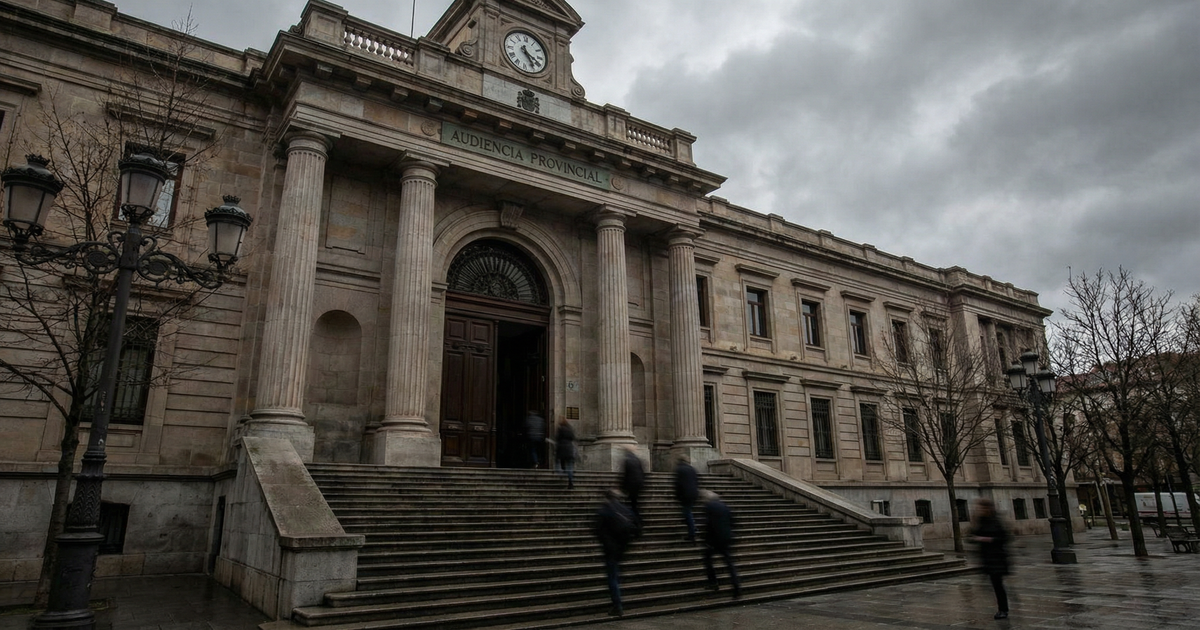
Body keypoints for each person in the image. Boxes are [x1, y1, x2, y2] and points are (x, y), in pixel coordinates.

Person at [593, 488, 637, 616]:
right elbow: (636, 526)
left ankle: (617, 605)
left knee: (612, 576)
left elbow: (596, 529)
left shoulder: (604, 510)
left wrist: (605, 541)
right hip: (622, 547)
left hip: (611, 548)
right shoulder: (624, 509)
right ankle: (617, 593)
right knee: (616, 573)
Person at [969, 498, 1010, 620]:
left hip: (997, 558)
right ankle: (1002, 608)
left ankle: (1003, 609)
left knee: (998, 585)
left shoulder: (995, 521)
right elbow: (972, 536)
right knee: (995, 584)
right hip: (987, 559)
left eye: (982, 508)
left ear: (988, 508)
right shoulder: (981, 521)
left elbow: (1004, 537)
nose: (979, 510)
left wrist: (988, 539)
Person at [701, 490, 741, 598]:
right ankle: (736, 587)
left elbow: (709, 524)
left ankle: (713, 582)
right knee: (729, 564)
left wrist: (706, 540)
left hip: (714, 540)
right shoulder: (724, 506)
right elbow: (733, 521)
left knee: (708, 560)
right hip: (726, 538)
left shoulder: (709, 507)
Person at [673, 455, 700, 541]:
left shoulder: (679, 469)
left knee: (687, 513)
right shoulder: (692, 469)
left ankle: (692, 532)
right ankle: (693, 527)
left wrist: (677, 495)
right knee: (687, 512)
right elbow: (697, 481)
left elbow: (678, 483)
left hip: (685, 494)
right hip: (693, 494)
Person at [620, 446, 646, 526]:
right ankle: (638, 521)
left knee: (632, 505)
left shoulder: (627, 460)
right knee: (634, 504)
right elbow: (642, 472)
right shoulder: (637, 459)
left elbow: (626, 475)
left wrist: (623, 487)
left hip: (631, 486)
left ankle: (637, 522)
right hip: (638, 485)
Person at [554, 417, 576, 489]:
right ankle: (570, 481)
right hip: (569, 449)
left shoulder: (560, 429)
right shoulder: (570, 429)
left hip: (562, 449)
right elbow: (573, 438)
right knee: (570, 466)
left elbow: (557, 438)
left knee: (560, 462)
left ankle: (562, 472)